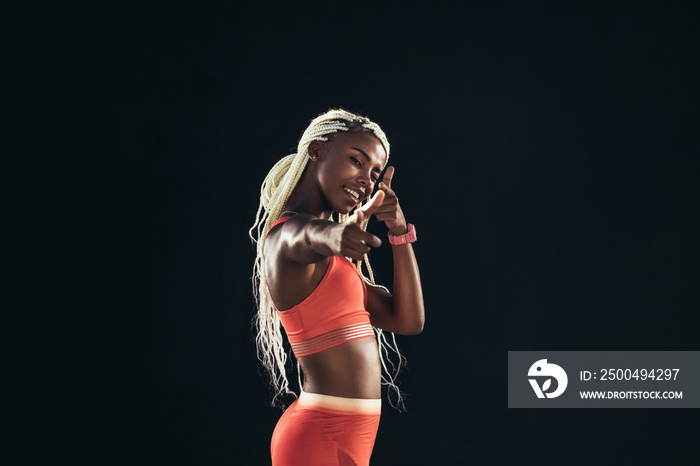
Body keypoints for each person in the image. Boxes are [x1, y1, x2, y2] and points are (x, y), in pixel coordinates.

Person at [250, 109, 425, 465]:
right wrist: (337, 235)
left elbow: (408, 320)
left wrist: (398, 232)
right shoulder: (285, 238)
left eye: (374, 173)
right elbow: (311, 236)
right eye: (356, 161)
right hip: (317, 437)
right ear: (316, 151)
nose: (366, 180)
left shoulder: (340, 268)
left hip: (348, 439)